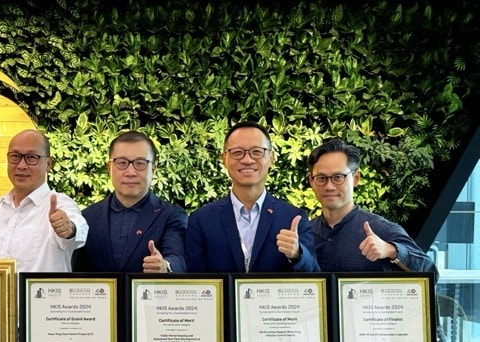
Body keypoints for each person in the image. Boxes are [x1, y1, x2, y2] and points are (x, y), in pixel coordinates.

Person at [185, 121, 318, 272]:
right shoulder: (202, 220)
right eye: (237, 152)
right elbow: (194, 282)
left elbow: (315, 277)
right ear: (224, 159)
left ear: (271, 158)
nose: (247, 160)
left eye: (257, 152)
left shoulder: (293, 218)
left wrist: (297, 254)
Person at [307, 138, 434, 272]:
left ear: (355, 179)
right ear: (311, 180)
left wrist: (391, 250)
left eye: (338, 177)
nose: (329, 186)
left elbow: (430, 271)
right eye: (321, 178)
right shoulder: (304, 233)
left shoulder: (380, 229)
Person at [74, 131, 187, 273]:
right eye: (122, 163)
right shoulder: (88, 217)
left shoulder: (171, 215)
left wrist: (165, 267)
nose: (130, 172)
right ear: (109, 168)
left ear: (153, 168)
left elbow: (178, 258)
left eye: (140, 163)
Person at [0, 129, 88, 272]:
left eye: (31, 157)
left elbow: (78, 233)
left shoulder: (60, 204)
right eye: (15, 156)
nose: (21, 165)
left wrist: (68, 229)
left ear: (48, 164)